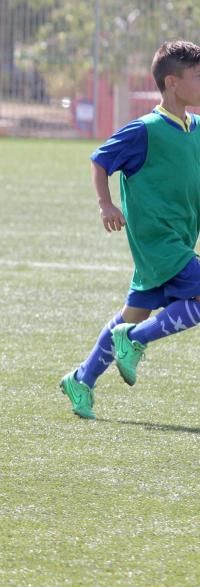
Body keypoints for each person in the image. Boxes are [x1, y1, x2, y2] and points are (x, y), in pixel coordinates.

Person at [60, 40, 200, 420]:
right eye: (198, 76)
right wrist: (106, 204)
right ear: (172, 83)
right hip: (159, 244)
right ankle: (134, 341)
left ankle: (81, 380)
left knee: (132, 314)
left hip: (179, 241)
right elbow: (101, 159)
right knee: (152, 320)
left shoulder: (195, 127)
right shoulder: (145, 130)